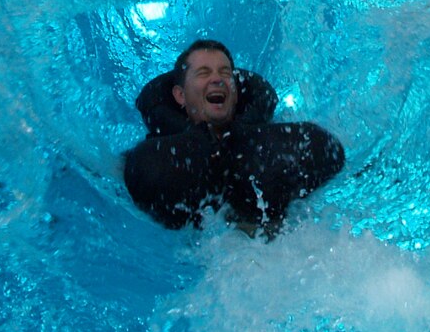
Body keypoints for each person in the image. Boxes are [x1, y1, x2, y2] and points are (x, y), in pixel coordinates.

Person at [122, 39, 344, 234]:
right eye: (203, 73)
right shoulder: (160, 153)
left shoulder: (268, 145)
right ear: (180, 95)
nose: (217, 79)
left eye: (225, 73)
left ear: (236, 92)